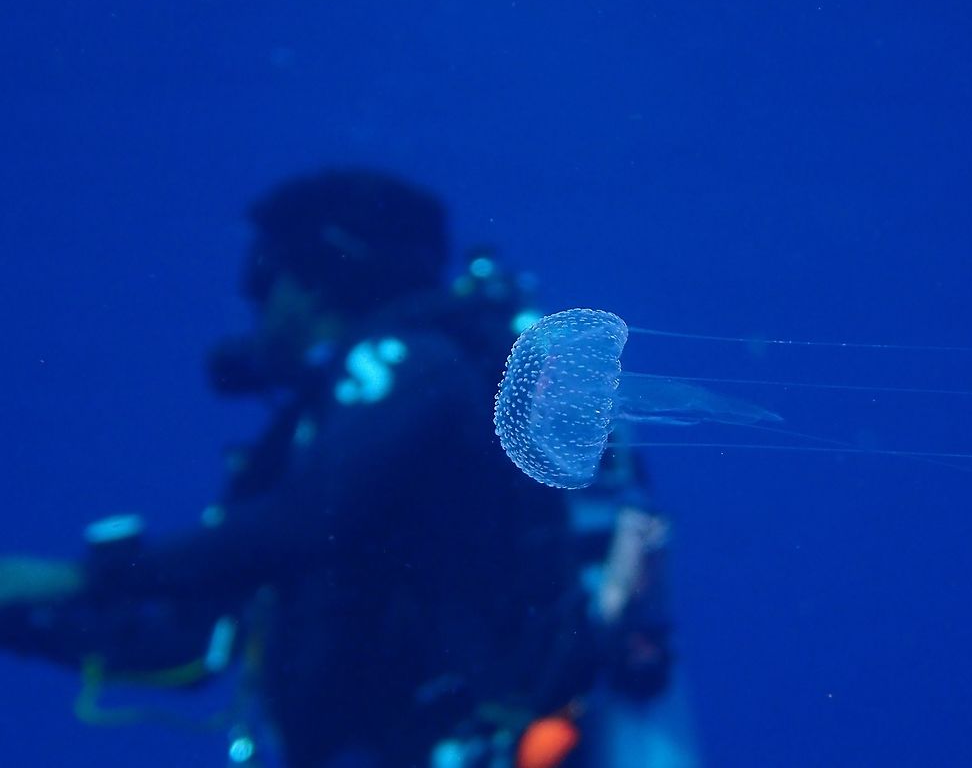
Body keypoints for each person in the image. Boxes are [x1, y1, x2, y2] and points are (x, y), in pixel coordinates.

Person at [0, 169, 701, 768]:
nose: (254, 306)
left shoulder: (415, 366)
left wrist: (77, 577)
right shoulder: (326, 428)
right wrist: (23, 620)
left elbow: (300, 524)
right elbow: (192, 639)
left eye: (262, 277)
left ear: (325, 275)